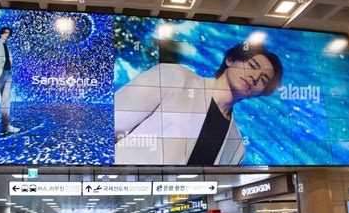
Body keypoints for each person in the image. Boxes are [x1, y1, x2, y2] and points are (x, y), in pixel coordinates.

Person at [115, 42, 283, 165]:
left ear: (261, 92)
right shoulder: (174, 76)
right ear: (230, 60)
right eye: (252, 66)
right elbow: (110, 122)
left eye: (263, 80)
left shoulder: (237, 147)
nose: (254, 77)